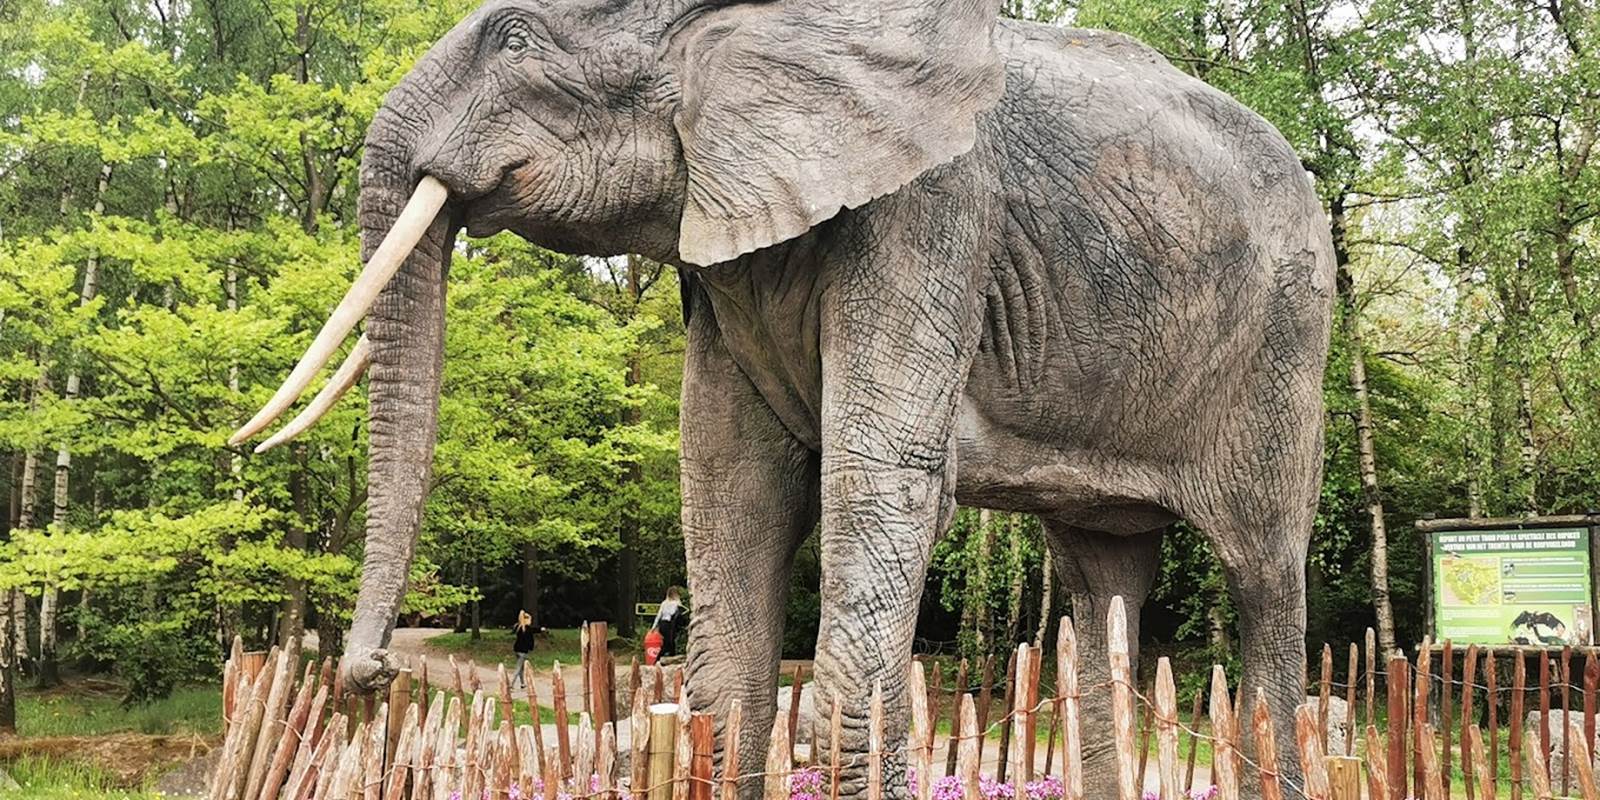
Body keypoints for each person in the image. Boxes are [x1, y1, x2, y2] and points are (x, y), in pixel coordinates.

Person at [652, 587, 685, 658]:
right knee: (669, 643)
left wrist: (654, 627)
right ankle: (658, 658)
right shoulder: (676, 603)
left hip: (662, 624)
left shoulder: (664, 603)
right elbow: (675, 612)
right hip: (670, 624)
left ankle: (670, 657)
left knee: (670, 642)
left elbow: (659, 615)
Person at [512, 610, 536, 687]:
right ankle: (511, 684)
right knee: (518, 667)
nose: (530, 622)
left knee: (521, 667)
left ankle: (522, 683)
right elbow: (530, 639)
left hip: (517, 649)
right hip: (523, 651)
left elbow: (534, 630)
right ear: (526, 620)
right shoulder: (527, 629)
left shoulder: (518, 627)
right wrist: (531, 648)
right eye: (530, 620)